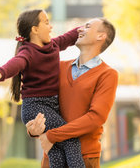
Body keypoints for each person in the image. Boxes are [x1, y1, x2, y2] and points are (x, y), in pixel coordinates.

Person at [0, 9, 85, 168]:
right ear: (35, 29)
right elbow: (17, 62)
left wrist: (86, 28)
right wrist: (1, 72)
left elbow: (69, 37)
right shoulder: (27, 52)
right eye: (46, 22)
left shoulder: (53, 45)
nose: (51, 26)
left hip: (51, 106)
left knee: (56, 152)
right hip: (36, 107)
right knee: (71, 140)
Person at [26, 18, 118, 168]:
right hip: (53, 155)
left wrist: (52, 135)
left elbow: (95, 118)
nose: (79, 30)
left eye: (87, 26)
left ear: (101, 36)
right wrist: (33, 129)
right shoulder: (58, 67)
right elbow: (43, 105)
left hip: (84, 157)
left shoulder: (107, 75)